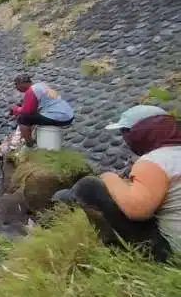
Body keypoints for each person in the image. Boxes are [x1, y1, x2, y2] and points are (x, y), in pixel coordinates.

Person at [53, 105, 180, 262]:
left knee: (88, 185)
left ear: (142, 133)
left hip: (171, 252)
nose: (124, 139)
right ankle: (67, 197)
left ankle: (115, 247)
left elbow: (138, 209)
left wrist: (110, 178)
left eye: (125, 132)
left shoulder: (154, 161)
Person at [9, 75, 75, 145]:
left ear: (21, 83)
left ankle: (29, 144)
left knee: (23, 119)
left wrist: (15, 109)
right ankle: (31, 137)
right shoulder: (41, 85)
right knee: (32, 117)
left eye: (16, 85)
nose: (16, 88)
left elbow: (27, 111)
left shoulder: (31, 91)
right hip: (68, 115)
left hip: (60, 117)